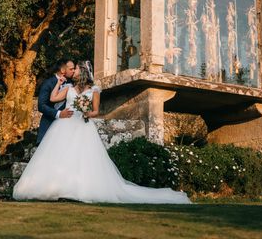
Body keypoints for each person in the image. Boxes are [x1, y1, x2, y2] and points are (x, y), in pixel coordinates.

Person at [13, 60, 191, 204]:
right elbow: (52, 98)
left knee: (82, 157)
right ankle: (55, 187)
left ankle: (76, 188)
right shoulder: (67, 87)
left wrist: (87, 112)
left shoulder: (94, 90)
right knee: (60, 154)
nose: (72, 72)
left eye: (75, 70)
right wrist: (58, 84)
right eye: (72, 69)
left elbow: (96, 110)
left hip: (82, 125)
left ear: (82, 72)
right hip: (65, 124)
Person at [36, 59, 75, 145]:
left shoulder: (73, 83)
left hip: (67, 126)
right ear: (62, 70)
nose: (73, 71)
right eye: (71, 69)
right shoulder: (48, 83)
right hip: (49, 123)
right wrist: (58, 114)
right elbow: (41, 105)